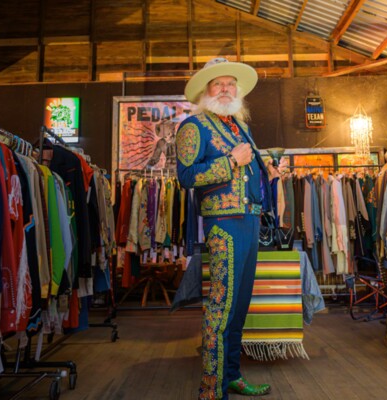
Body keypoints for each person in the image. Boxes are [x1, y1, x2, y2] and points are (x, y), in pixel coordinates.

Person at [176, 57, 274, 399]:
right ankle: (210, 388)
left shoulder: (240, 127)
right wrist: (232, 161)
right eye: (218, 84)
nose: (225, 88)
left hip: (249, 221)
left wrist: (268, 167)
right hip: (223, 226)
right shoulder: (194, 126)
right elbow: (186, 177)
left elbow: (251, 163)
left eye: (230, 84)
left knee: (240, 306)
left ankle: (231, 374)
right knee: (221, 306)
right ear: (207, 90)